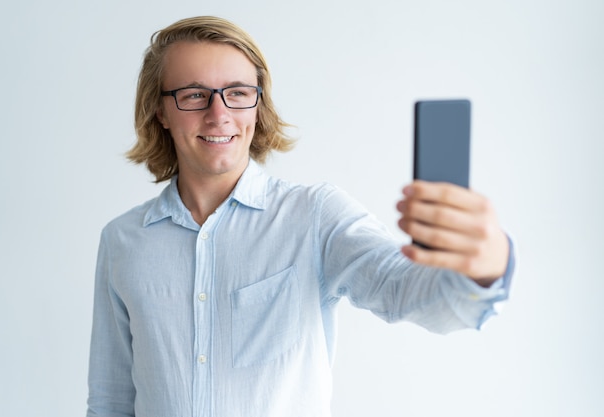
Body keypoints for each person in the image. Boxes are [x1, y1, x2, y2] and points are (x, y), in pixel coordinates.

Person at [86, 15, 514, 417]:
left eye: (237, 93)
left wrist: (486, 264)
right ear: (159, 110)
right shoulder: (122, 241)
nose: (220, 114)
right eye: (194, 95)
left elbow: (408, 292)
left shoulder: (314, 216)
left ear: (257, 104)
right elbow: (111, 400)